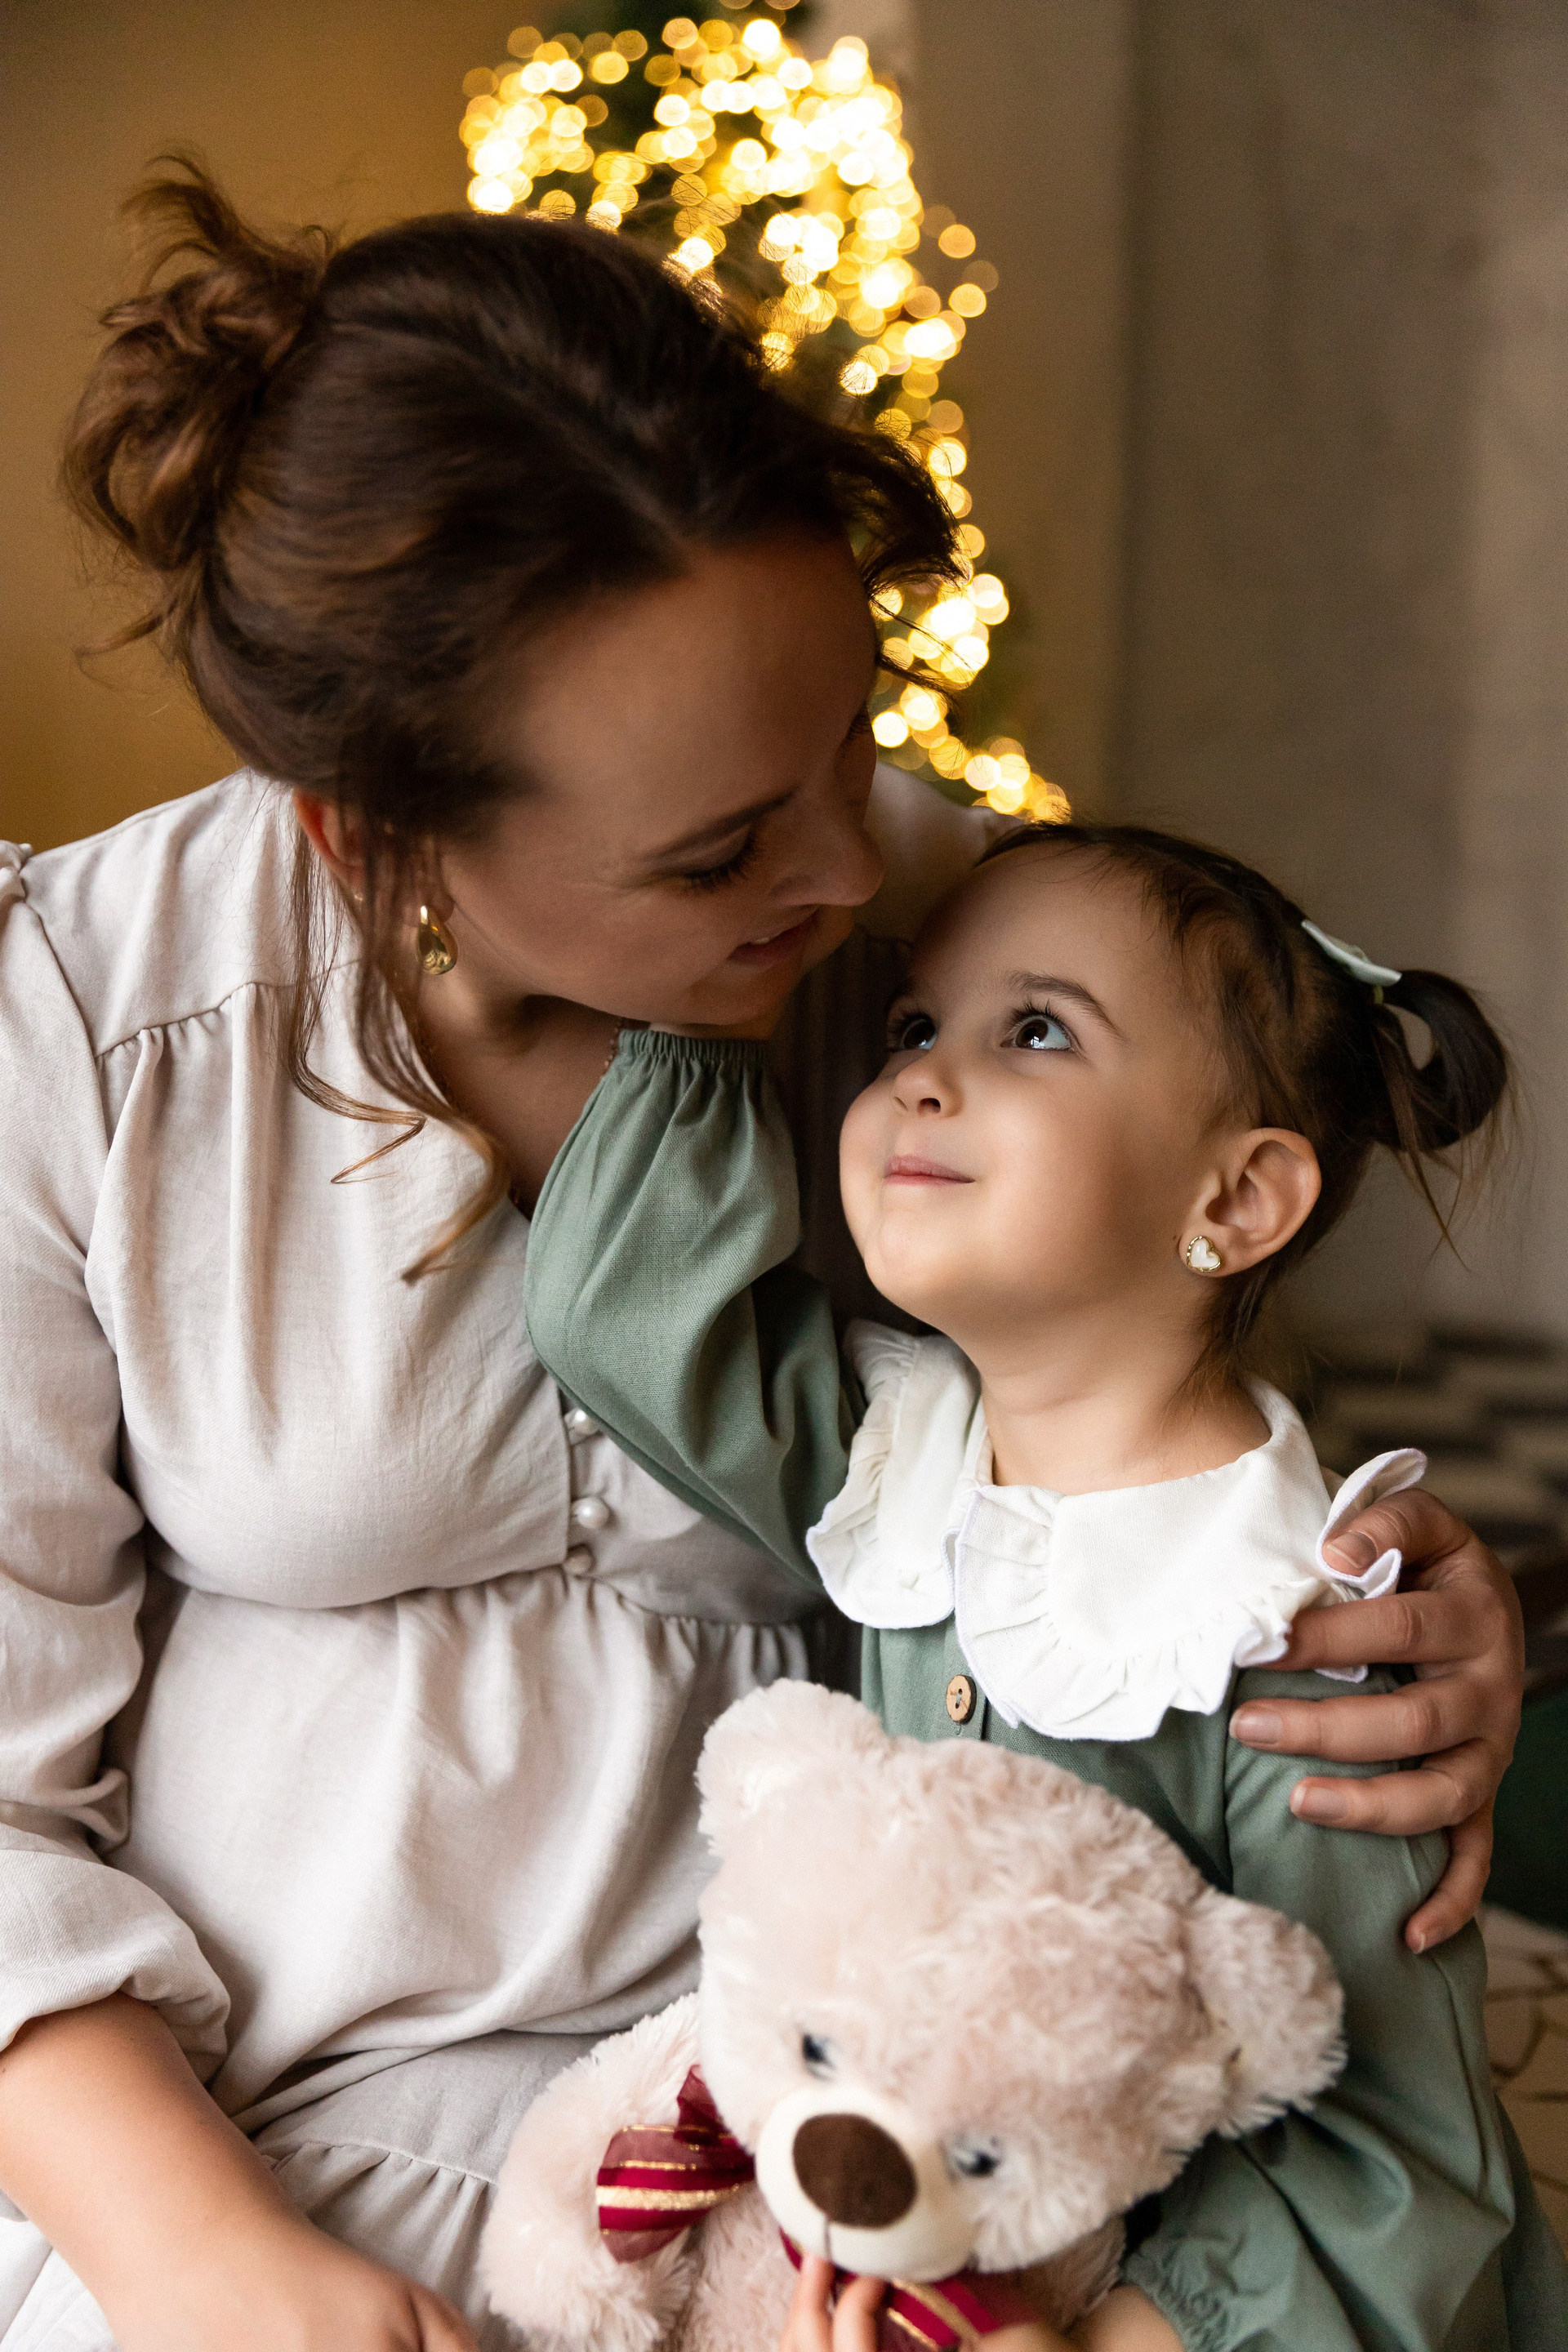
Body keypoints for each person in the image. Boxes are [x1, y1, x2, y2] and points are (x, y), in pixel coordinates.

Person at [0, 163, 1525, 2352]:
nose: (849, 873)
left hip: (859, 2139)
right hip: (239, 2156)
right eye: (721, 848)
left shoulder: (952, 961)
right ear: (376, 833)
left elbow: (1165, 1368)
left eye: (851, 738)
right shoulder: (83, 1029)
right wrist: (204, 2264)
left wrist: (1391, 1614)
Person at [522, 823, 1568, 2350]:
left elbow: (1396, 2157)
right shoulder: (897, 1461)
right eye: (912, 1028)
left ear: (1237, 1200)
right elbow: (622, 1318)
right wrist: (710, 977)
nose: (921, 1079)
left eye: (1034, 1032)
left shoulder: (1287, 1627)